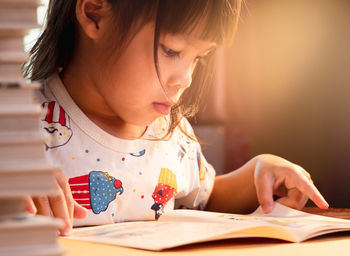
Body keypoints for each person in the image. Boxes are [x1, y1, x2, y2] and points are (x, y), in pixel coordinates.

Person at [23, 0, 329, 236]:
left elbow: (205, 197)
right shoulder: (17, 125)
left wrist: (257, 174)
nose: (185, 79)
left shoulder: (171, 130)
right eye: (171, 50)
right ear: (94, 14)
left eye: (198, 58)